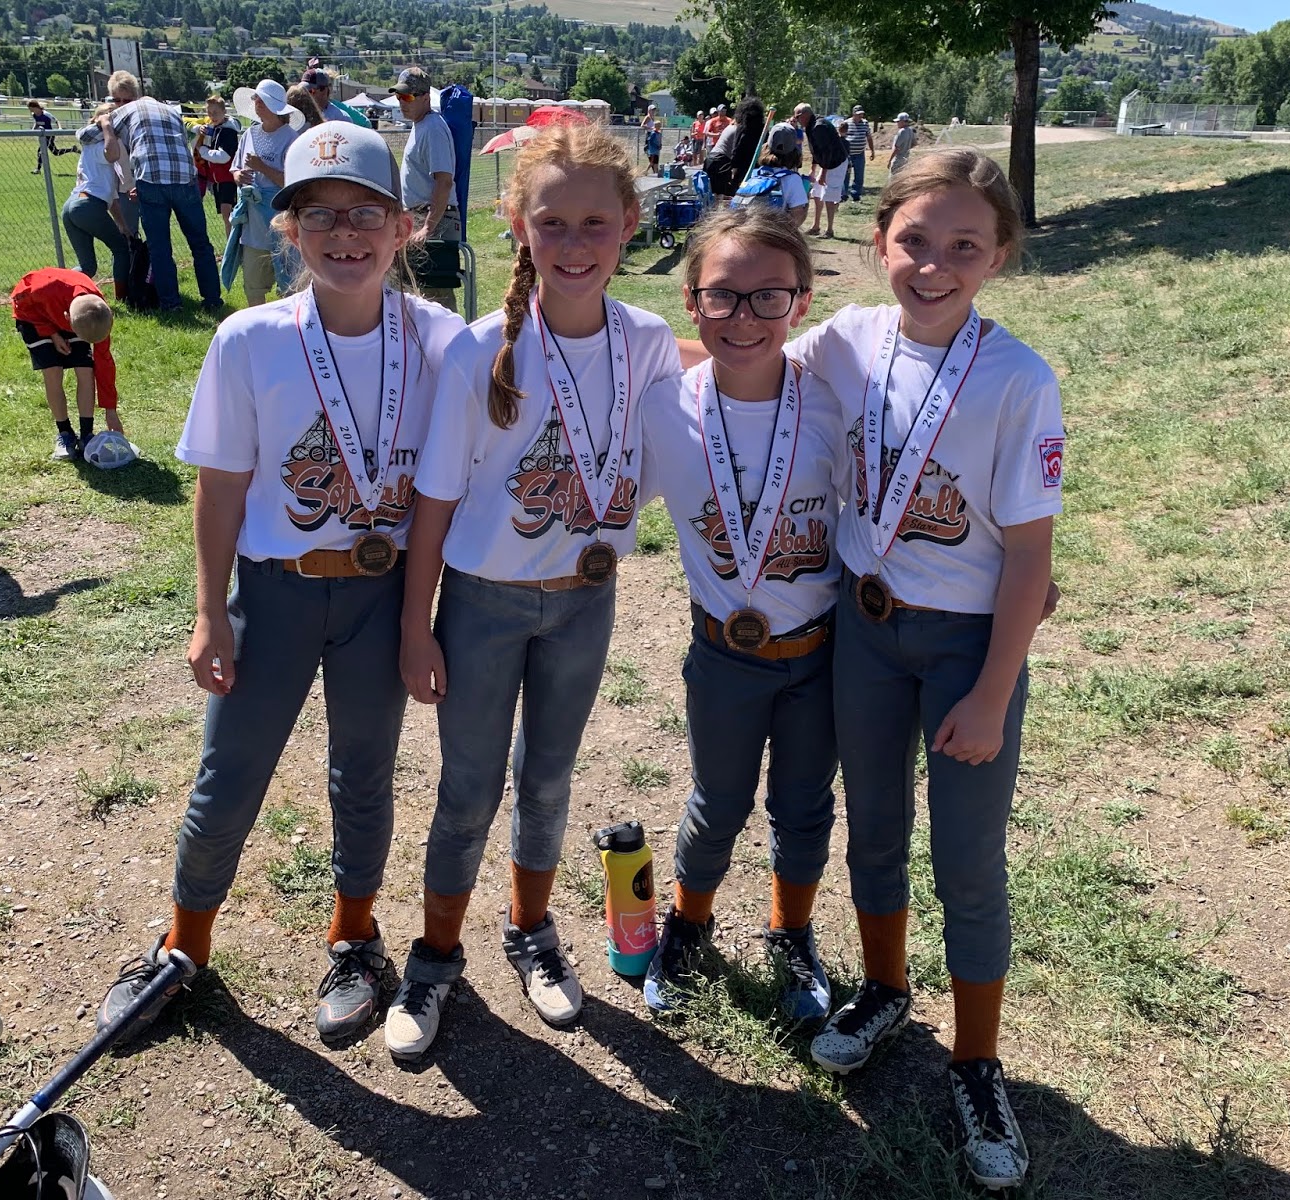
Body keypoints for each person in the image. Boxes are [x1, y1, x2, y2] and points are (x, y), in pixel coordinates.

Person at [94, 121, 467, 1046]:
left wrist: (418, 621)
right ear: (287, 229)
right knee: (230, 774)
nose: (345, 233)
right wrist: (208, 612)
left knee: (364, 773)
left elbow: (452, 482)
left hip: (383, 595)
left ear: (404, 227)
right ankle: (183, 947)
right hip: (274, 590)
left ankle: (354, 936)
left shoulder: (442, 340)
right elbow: (221, 488)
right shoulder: (250, 339)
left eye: (366, 214)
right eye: (319, 215)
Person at [787, 148, 1063, 1191]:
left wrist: (990, 695)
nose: (933, 265)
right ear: (878, 242)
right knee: (874, 827)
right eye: (914, 241)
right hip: (864, 630)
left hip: (965, 648)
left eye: (963, 246)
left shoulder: (1018, 379)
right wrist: (598, 348)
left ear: (999, 256)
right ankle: (886, 988)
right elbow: (743, 358)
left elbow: (1030, 560)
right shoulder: (850, 338)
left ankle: (977, 1062)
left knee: (967, 862)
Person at [392, 122, 681, 1060]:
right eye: (552, 223)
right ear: (518, 226)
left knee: (548, 779)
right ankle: (435, 958)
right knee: (468, 788)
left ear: (630, 223)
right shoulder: (482, 351)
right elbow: (436, 499)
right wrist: (416, 626)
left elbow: (685, 446)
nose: (575, 243)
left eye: (596, 223)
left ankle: (530, 932)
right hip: (484, 601)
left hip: (584, 603)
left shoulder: (647, 343)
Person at [637, 207, 843, 1025]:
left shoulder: (835, 404)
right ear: (691, 300)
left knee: (805, 805)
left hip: (821, 652)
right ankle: (688, 925)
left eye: (769, 297)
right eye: (722, 295)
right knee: (717, 802)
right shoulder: (662, 408)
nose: (745, 316)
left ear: (802, 301)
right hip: (723, 654)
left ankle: (791, 933)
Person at [79, 70, 223, 312]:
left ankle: (171, 304)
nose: (120, 104)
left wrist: (104, 122)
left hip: (151, 180)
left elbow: (83, 136)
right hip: (185, 179)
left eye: (122, 100)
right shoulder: (171, 110)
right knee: (200, 243)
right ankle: (212, 300)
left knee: (160, 247)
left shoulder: (122, 113)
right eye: (117, 100)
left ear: (132, 98)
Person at [10, 267, 124, 462]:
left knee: (86, 369)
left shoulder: (97, 311)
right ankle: (65, 433)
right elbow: (19, 303)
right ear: (67, 320)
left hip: (67, 308)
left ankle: (87, 435)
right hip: (31, 315)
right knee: (53, 371)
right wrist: (52, 333)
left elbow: (104, 364)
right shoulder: (39, 289)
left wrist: (110, 410)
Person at [391, 67, 459, 312]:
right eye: (399, 96)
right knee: (417, 291)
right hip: (421, 217)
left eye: (408, 96)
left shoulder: (432, 128)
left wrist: (428, 228)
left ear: (425, 97)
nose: (402, 102)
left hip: (434, 220)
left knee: (435, 295)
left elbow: (444, 181)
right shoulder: (420, 125)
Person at [231, 79, 300, 307]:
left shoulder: (291, 139)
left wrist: (262, 167)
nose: (256, 102)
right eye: (255, 98)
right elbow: (235, 169)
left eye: (260, 99)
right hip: (253, 225)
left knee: (290, 284)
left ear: (275, 106)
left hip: (281, 223)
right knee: (253, 284)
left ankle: (292, 324)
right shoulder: (249, 134)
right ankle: (258, 324)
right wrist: (239, 176)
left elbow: (293, 183)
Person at [63, 103, 132, 298]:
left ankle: (60, 288)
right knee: (121, 249)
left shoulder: (91, 148)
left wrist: (123, 226)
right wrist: (107, 125)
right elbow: (112, 154)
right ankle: (122, 297)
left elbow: (112, 198)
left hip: (73, 205)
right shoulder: (98, 145)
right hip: (88, 206)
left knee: (88, 267)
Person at [730, 122, 808, 226]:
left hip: (747, 229)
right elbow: (797, 219)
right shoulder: (792, 179)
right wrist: (807, 199)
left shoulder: (754, 174)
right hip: (771, 233)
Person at [193, 95, 240, 236]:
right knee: (227, 217)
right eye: (209, 113)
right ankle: (231, 244)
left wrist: (202, 150)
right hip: (218, 180)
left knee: (229, 215)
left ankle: (234, 245)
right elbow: (190, 125)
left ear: (224, 112)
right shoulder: (216, 129)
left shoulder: (228, 131)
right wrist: (200, 130)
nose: (212, 116)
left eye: (215, 113)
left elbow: (223, 157)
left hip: (228, 179)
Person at [704, 96, 766, 202]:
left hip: (713, 161)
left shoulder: (736, 126)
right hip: (720, 162)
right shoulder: (741, 130)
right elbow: (737, 151)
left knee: (716, 198)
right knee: (723, 197)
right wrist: (735, 169)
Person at [806, 118, 848, 239]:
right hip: (828, 163)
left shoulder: (820, 129)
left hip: (836, 163)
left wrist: (823, 174)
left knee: (829, 195)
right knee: (817, 192)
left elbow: (827, 154)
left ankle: (829, 230)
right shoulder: (813, 129)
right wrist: (813, 169)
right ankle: (816, 226)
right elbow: (816, 152)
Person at [301, 67, 371, 128]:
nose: (305, 94)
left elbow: (365, 123)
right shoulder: (299, 111)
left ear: (325, 90)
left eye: (311, 91)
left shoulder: (340, 115)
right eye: (302, 90)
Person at [28, 100, 72, 174]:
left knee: (40, 151)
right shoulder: (34, 115)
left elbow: (56, 120)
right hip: (42, 136)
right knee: (55, 152)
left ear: (34, 107)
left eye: (29, 108)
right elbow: (37, 123)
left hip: (49, 135)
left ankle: (38, 169)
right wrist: (33, 129)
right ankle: (72, 149)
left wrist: (60, 128)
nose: (29, 109)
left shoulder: (45, 114)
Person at [844, 104, 874, 201]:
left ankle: (856, 195)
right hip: (847, 154)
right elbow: (841, 137)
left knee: (859, 176)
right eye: (858, 114)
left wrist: (872, 150)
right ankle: (843, 195)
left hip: (860, 154)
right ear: (853, 114)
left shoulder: (865, 123)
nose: (860, 116)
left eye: (861, 114)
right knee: (845, 175)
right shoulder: (846, 123)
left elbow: (869, 137)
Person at [642, 104, 662, 175]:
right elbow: (642, 125)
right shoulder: (648, 117)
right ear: (649, 110)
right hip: (650, 135)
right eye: (652, 110)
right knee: (651, 156)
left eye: (654, 110)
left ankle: (655, 171)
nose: (653, 111)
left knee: (655, 157)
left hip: (654, 135)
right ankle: (650, 171)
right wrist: (651, 128)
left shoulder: (653, 118)